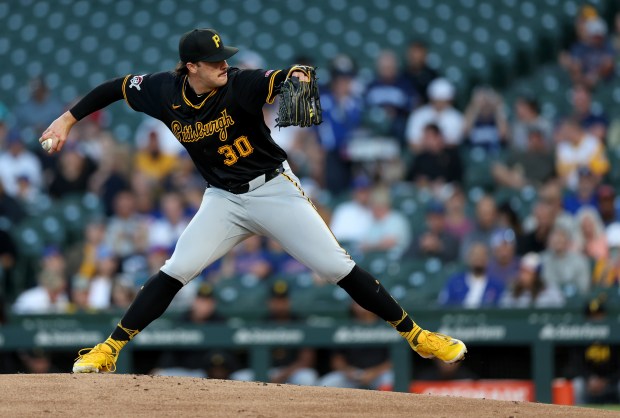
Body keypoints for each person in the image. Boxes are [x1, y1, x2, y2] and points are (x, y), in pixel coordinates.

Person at [39, 28, 465, 373]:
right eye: (215, 61)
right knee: (178, 267)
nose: (225, 65)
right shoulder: (162, 91)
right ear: (191, 67)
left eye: (226, 58)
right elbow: (115, 87)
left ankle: (417, 336)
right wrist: (67, 119)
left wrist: (294, 76)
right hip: (223, 199)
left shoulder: (238, 83)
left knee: (336, 265)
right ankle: (109, 349)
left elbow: (276, 79)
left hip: (272, 190)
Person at [231, 280, 318, 385]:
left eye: (283, 300)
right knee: (239, 377)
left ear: (289, 301)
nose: (280, 305)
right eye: (276, 300)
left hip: (293, 371)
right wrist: (264, 373)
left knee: (307, 377)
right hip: (266, 370)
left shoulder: (300, 322)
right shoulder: (262, 322)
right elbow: (253, 357)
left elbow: (306, 360)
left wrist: (283, 374)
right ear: (269, 302)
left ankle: (306, 402)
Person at [318, 301, 393, 389]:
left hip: (378, 374)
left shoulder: (386, 326)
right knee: (325, 383)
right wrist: (348, 371)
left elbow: (394, 360)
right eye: (357, 302)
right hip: (351, 374)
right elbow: (337, 359)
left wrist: (374, 373)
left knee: (389, 380)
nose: (362, 307)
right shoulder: (345, 327)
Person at [438, 242, 505, 308]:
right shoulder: (454, 283)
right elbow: (443, 306)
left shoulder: (497, 286)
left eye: (482, 255)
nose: (479, 258)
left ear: (488, 259)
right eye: (475, 255)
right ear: (468, 258)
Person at [405, 78, 464, 151]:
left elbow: (455, 142)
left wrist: (437, 144)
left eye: (443, 101)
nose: (440, 104)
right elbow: (412, 142)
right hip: (422, 156)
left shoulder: (456, 117)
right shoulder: (418, 115)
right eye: (437, 100)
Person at [500, 252, 565, 308]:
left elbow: (560, 309)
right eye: (522, 271)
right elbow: (504, 308)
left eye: (527, 272)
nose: (522, 276)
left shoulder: (550, 291)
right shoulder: (513, 291)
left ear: (536, 275)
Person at [541, 226, 591, 297]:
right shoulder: (543, 260)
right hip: (550, 300)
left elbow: (584, 286)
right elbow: (543, 284)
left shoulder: (580, 260)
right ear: (549, 241)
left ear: (568, 241)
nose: (558, 240)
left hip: (575, 299)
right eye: (555, 238)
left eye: (561, 237)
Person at [461, 86, 509, 152]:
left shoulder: (497, 118)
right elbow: (465, 131)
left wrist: (497, 107)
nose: (485, 105)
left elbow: (503, 135)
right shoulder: (473, 117)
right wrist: (475, 106)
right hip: (475, 156)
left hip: (494, 155)